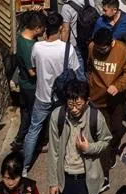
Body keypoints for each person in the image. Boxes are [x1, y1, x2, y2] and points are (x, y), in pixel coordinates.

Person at [48, 79, 111, 194]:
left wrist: (89, 148)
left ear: (87, 101)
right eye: (70, 105)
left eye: (79, 105)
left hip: (87, 179)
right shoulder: (58, 117)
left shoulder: (96, 117)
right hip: (66, 178)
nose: (74, 109)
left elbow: (106, 141)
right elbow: (53, 152)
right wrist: (53, 182)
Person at [23, 12, 82, 171]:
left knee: (33, 130)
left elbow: (34, 66)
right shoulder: (68, 49)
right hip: (61, 98)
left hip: (42, 96)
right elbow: (76, 72)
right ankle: (63, 162)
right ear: (61, 28)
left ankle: (24, 167)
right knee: (64, 130)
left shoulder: (37, 47)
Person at [88, 27, 126, 187]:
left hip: (116, 101)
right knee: (103, 133)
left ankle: (111, 150)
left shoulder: (123, 51)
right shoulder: (91, 47)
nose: (100, 51)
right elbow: (89, 67)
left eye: (103, 48)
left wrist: (118, 85)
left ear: (111, 43)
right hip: (97, 98)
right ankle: (105, 167)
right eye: (98, 48)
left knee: (116, 129)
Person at [12, 11, 46, 153]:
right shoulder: (28, 46)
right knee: (34, 116)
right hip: (31, 87)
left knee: (26, 114)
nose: (44, 30)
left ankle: (20, 140)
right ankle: (28, 143)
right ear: (37, 28)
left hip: (24, 84)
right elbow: (32, 71)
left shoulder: (21, 39)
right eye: (43, 27)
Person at [59, 0, 99, 69]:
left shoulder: (67, 7)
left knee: (79, 68)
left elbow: (65, 30)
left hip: (75, 43)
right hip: (90, 39)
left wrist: (63, 48)